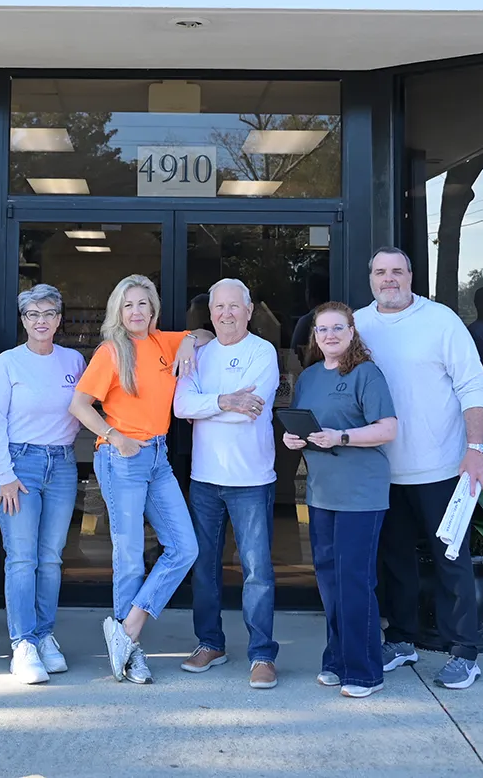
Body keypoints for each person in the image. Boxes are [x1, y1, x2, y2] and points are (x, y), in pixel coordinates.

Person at [353, 247, 483, 692]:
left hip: (441, 467)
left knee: (451, 561)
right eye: (380, 272)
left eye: (397, 271)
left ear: (411, 276)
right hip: (382, 469)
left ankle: (464, 652)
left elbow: (472, 384)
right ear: (371, 279)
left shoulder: (441, 321)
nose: (388, 279)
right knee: (395, 562)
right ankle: (401, 640)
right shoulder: (358, 324)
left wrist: (475, 449)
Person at [68, 274, 207, 684]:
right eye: (128, 305)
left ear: (153, 309)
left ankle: (126, 630)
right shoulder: (112, 352)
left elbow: (205, 334)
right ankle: (132, 654)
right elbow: (79, 405)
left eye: (143, 304)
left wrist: (188, 340)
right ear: (118, 310)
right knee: (129, 555)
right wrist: (114, 436)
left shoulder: (164, 342)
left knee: (184, 547)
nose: (135, 311)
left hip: (158, 457)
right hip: (122, 457)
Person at [283, 301, 398, 698]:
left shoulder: (366, 374)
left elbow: (388, 429)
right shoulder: (310, 377)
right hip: (322, 493)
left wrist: (342, 437)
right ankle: (336, 660)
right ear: (314, 337)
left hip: (361, 494)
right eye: (322, 329)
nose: (329, 335)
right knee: (329, 582)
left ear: (352, 332)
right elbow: (304, 425)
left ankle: (365, 672)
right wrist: (293, 438)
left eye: (338, 328)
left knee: (354, 581)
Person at [173, 278, 282, 689]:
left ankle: (262, 654)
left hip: (251, 480)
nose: (226, 314)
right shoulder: (198, 353)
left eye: (234, 306)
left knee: (257, 572)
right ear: (211, 312)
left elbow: (249, 411)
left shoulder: (262, 352)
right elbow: (181, 405)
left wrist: (208, 407)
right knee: (204, 568)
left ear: (249, 311)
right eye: (219, 307)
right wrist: (225, 400)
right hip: (205, 479)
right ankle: (210, 644)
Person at [0, 283, 86, 684]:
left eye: (48, 313)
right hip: (19, 466)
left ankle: (44, 636)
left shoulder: (74, 360)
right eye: (32, 314)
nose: (40, 321)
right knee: (22, 558)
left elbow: (83, 410)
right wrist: (5, 476)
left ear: (59, 320)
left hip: (61, 465)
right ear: (23, 320)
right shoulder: (8, 363)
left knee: (51, 558)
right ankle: (23, 643)